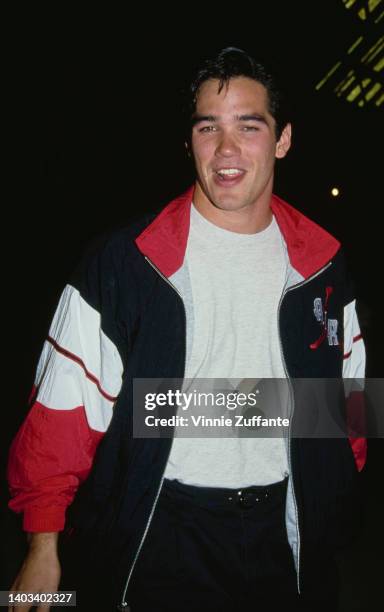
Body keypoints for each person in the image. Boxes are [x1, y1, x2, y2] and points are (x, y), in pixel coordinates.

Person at [7, 47, 366, 611]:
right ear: (189, 142)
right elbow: (63, 410)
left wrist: (332, 490)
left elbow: (349, 402)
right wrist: (42, 542)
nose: (226, 149)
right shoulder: (124, 262)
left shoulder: (323, 261)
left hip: (287, 534)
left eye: (249, 126)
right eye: (208, 128)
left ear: (283, 140)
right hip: (163, 530)